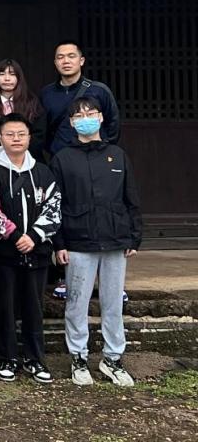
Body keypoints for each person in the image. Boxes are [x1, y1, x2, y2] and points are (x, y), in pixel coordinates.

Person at [52, 96, 141, 388]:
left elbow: (131, 198)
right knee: (76, 303)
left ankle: (112, 358)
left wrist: (134, 236)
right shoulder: (63, 158)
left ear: (101, 118)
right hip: (78, 241)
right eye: (79, 115)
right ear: (71, 122)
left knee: (113, 302)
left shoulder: (117, 154)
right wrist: (59, 243)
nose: (85, 119)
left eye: (90, 113)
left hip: (115, 239)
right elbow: (56, 204)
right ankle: (78, 357)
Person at [0, 113, 61, 385]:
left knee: (34, 307)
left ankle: (35, 359)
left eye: (21, 134)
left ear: (30, 138)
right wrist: (13, 235)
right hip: (4, 252)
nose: (16, 139)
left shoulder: (43, 171)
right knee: (5, 307)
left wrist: (33, 236)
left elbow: (54, 207)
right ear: (0, 138)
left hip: (37, 251)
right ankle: (6, 357)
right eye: (10, 134)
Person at [41, 40, 120, 156]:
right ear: (55, 62)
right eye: (60, 57)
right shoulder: (47, 93)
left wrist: (104, 149)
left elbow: (113, 124)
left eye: (71, 56)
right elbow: (43, 128)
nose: (66, 61)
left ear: (81, 61)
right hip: (60, 157)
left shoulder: (99, 90)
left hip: (96, 154)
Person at [0, 59, 46, 160]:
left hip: (28, 159)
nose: (7, 78)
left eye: (12, 74)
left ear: (19, 78)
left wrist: (20, 154)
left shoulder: (32, 103)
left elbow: (39, 134)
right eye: (2, 74)